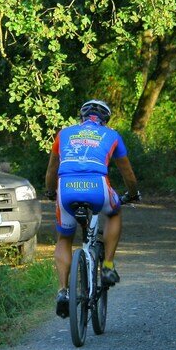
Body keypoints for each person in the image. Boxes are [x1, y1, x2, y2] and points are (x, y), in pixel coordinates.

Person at [45, 100, 140, 318]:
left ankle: (62, 291)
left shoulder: (64, 133)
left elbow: (51, 170)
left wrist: (51, 192)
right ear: (106, 119)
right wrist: (133, 193)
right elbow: (128, 174)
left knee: (64, 239)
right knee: (114, 212)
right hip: (97, 187)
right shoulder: (112, 135)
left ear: (81, 117)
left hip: (66, 188)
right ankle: (107, 264)